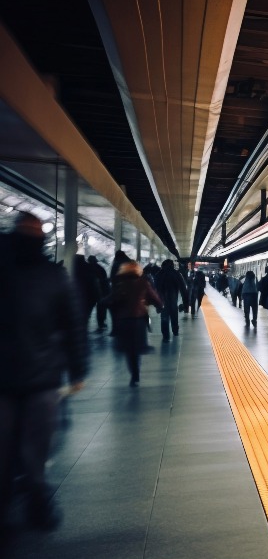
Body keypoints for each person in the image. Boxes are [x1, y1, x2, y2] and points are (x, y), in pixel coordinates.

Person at [0, 212, 88, 530]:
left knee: (6, 445)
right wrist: (78, 369)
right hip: (43, 377)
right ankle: (38, 504)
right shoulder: (53, 275)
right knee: (35, 446)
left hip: (11, 380)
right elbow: (73, 324)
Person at [107, 261, 163, 386]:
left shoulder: (120, 283)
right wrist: (159, 305)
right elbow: (153, 297)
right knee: (137, 346)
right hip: (139, 319)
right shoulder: (143, 282)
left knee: (128, 349)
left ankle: (133, 373)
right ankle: (136, 371)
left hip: (124, 320)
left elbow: (111, 298)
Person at [155, 259, 187, 340]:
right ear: (172, 265)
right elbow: (183, 289)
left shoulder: (159, 274)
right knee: (174, 315)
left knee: (164, 316)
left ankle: (165, 335)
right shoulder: (176, 274)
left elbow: (155, 289)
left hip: (162, 300)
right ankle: (175, 331)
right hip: (173, 299)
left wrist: (157, 304)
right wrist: (185, 304)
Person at [86, 255, 110, 332]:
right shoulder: (101, 269)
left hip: (90, 292)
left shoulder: (86, 268)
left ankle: (85, 321)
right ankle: (101, 323)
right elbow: (105, 280)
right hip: (100, 291)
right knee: (101, 308)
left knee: (89, 307)